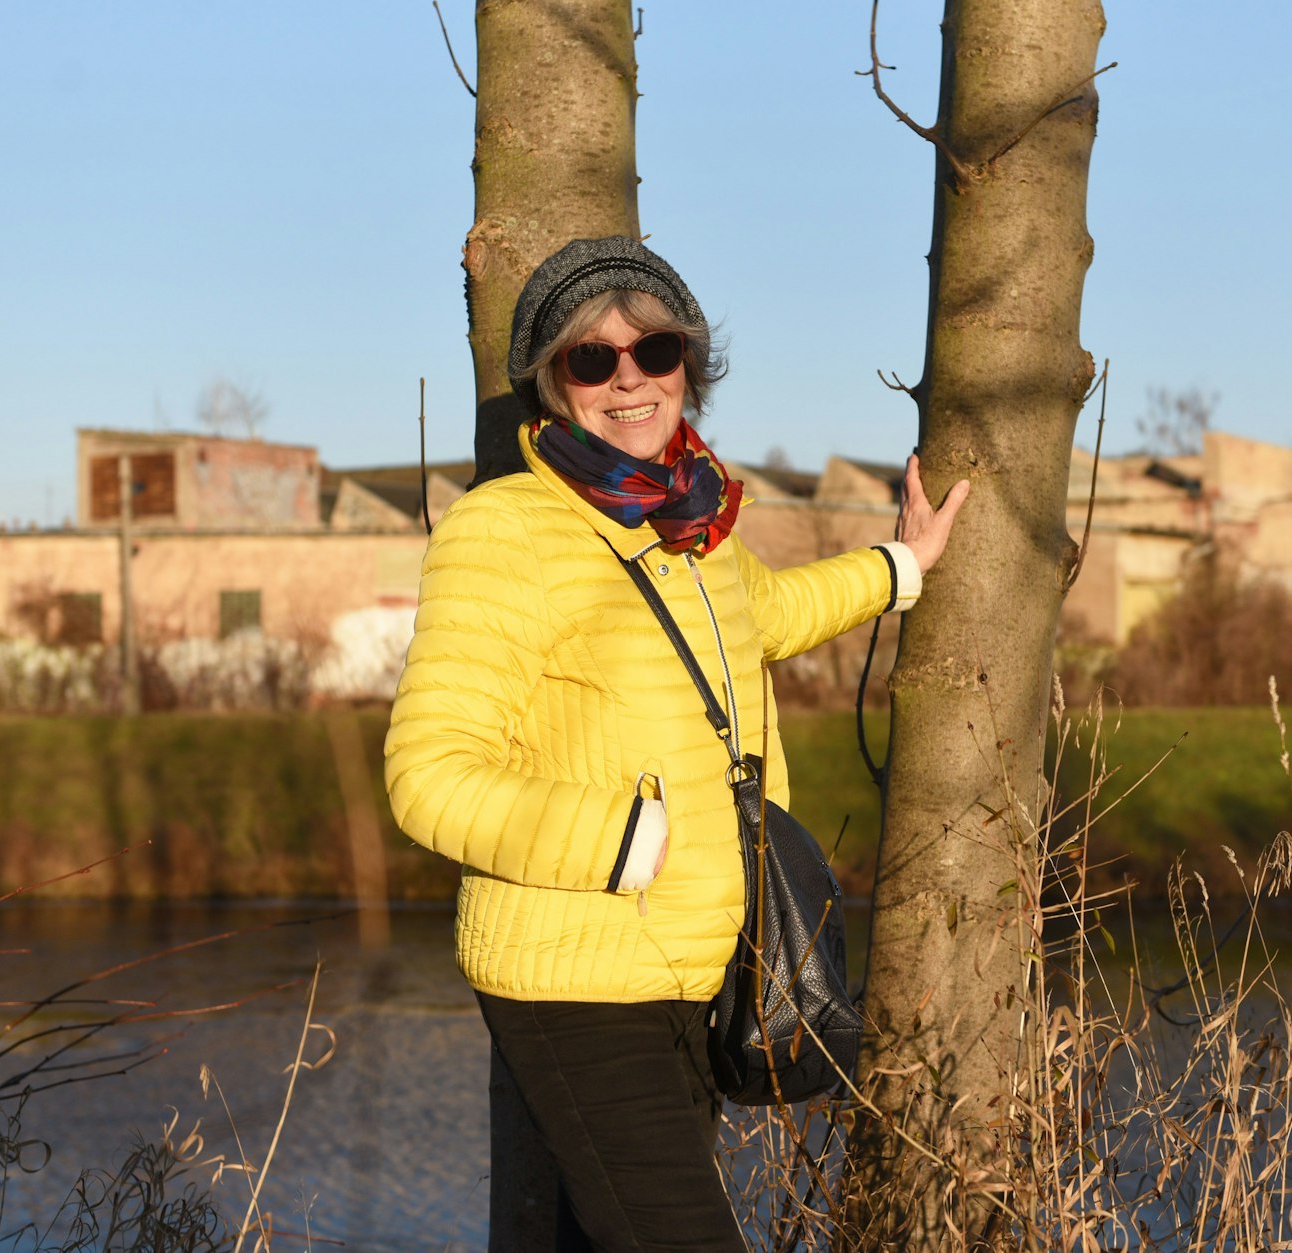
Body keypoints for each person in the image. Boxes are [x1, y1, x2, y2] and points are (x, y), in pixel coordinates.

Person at [384, 235, 967, 1251]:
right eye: (591, 357)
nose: (628, 380)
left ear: (687, 366)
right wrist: (620, 839)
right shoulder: (505, 528)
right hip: (575, 974)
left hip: (695, 964)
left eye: (653, 350)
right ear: (551, 382)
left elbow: (769, 614)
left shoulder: (694, 525)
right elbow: (427, 776)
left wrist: (899, 564)